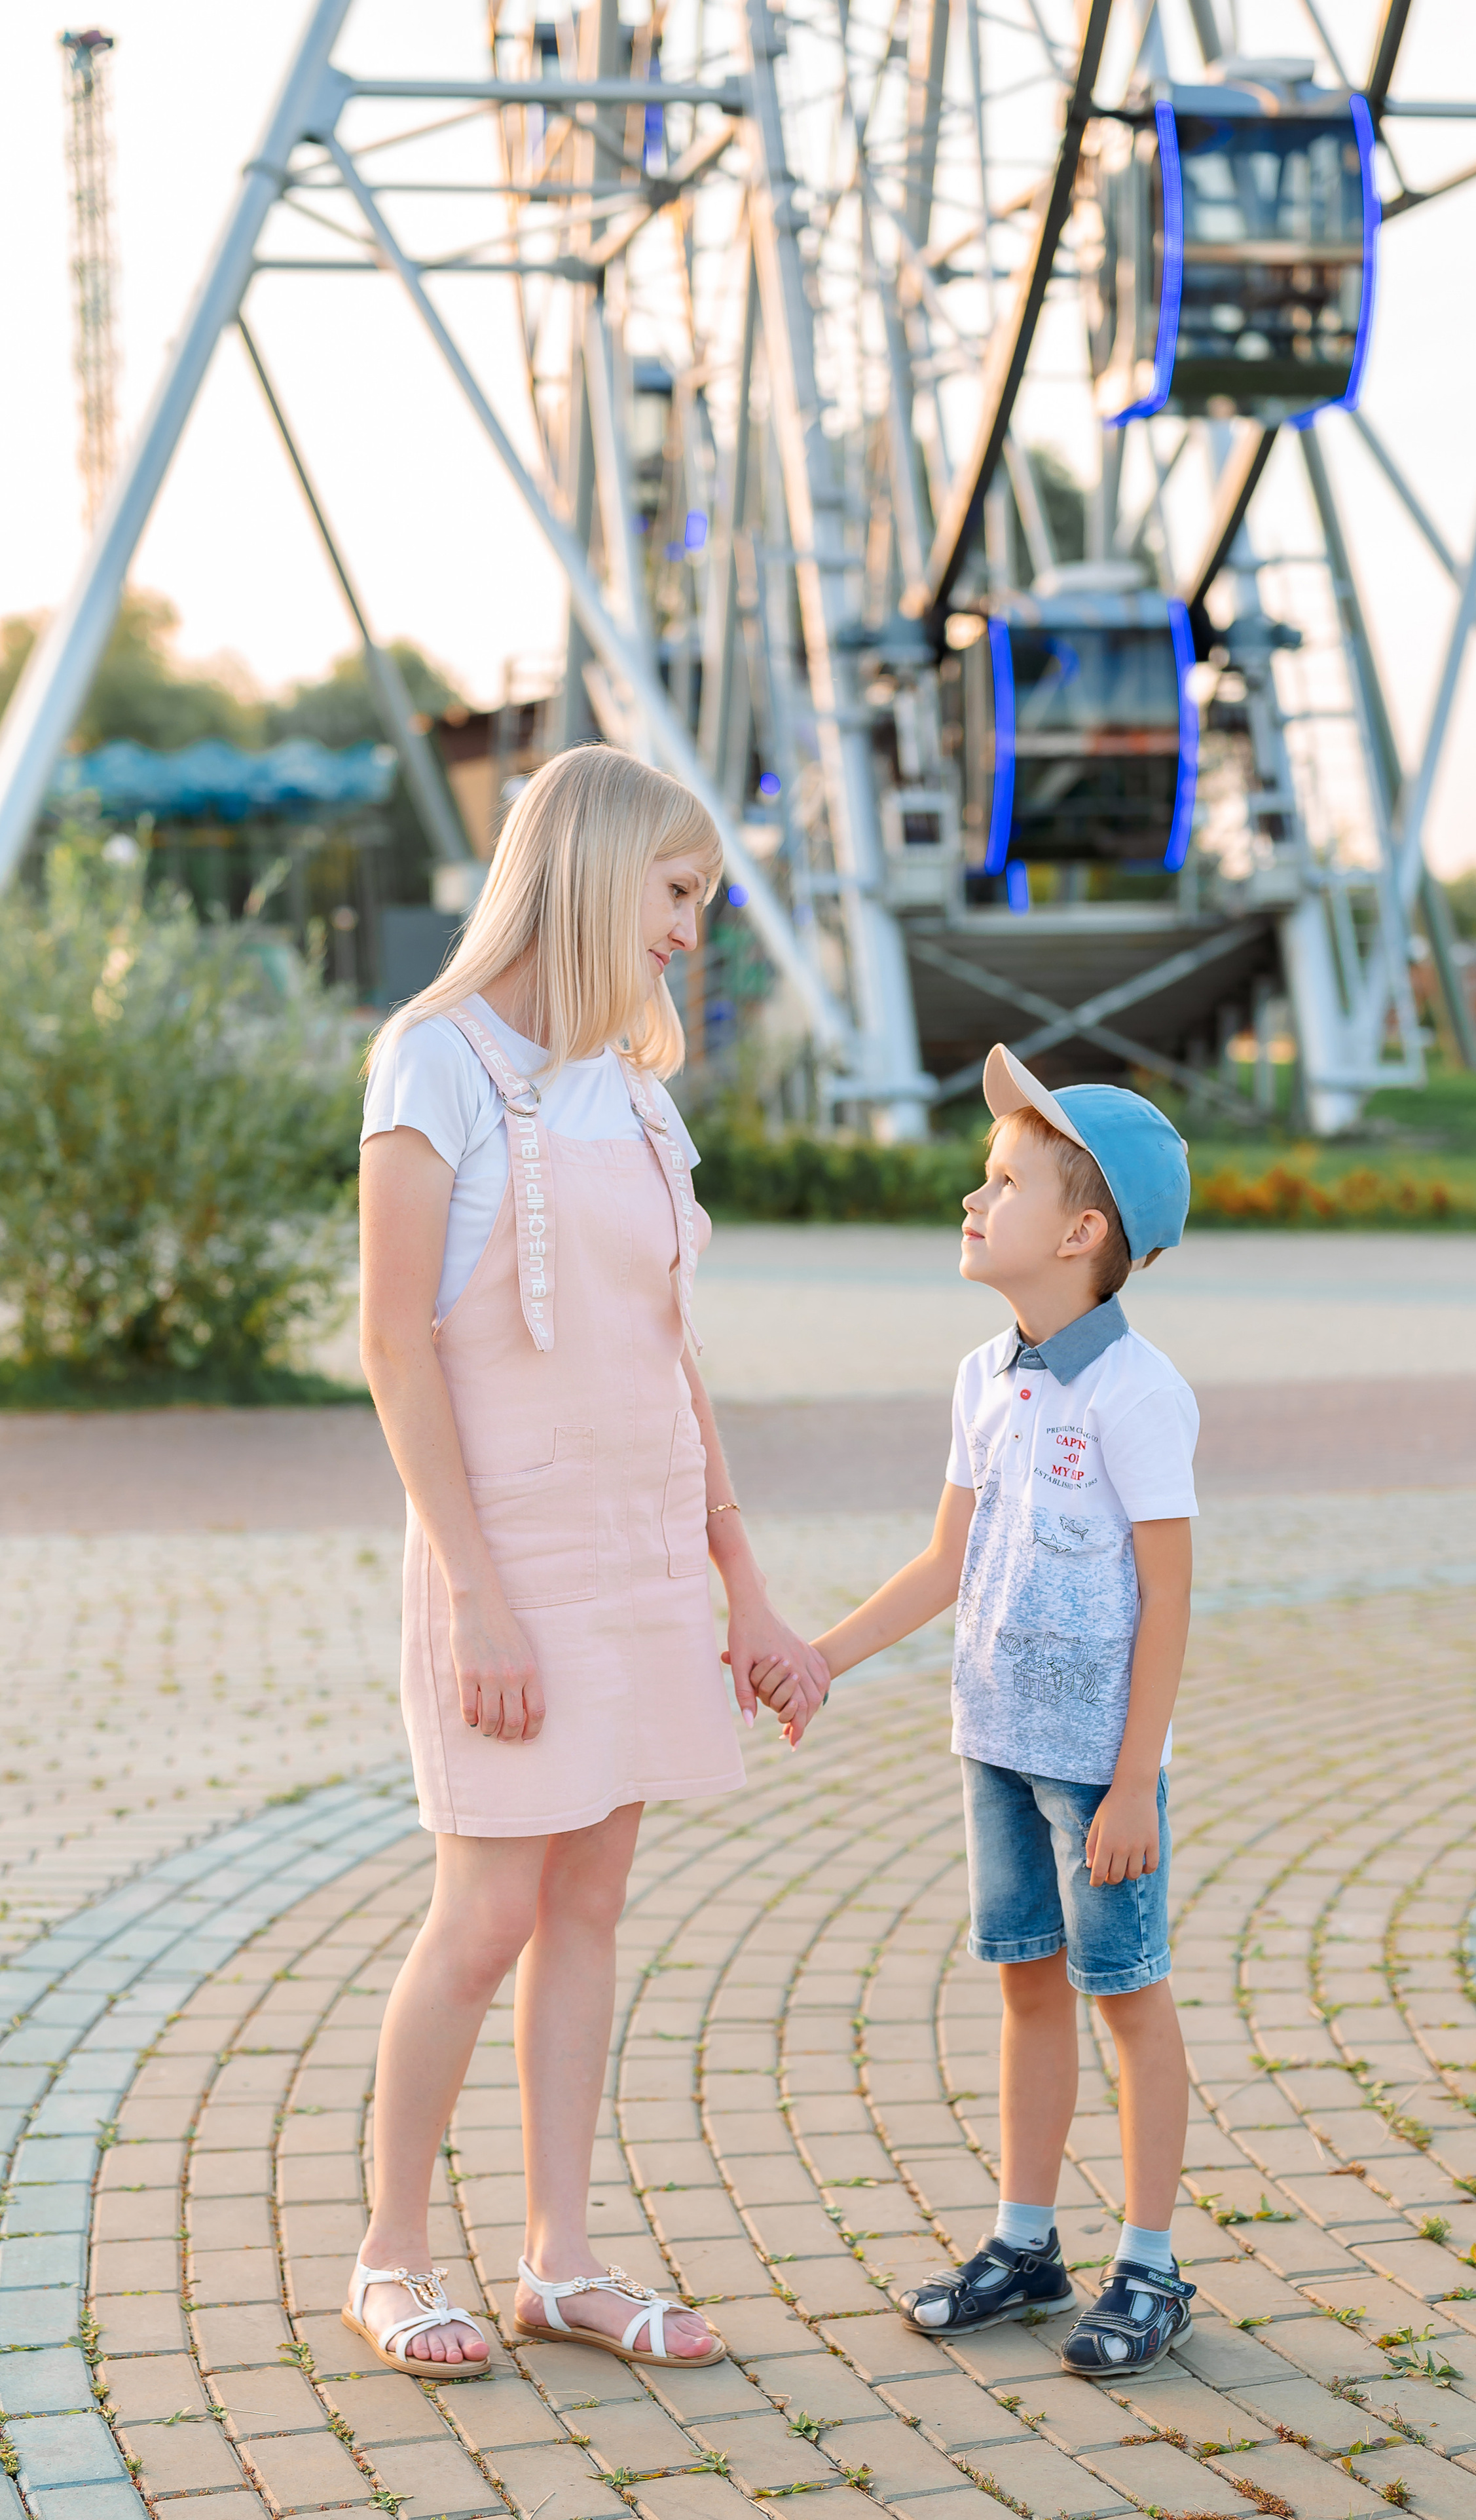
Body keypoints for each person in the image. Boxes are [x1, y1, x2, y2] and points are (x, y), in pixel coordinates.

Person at [347, 744, 826, 2380]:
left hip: (639, 1550)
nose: (694, 926)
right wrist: (474, 1588)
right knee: (484, 1914)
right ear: (597, 870)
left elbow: (667, 1354)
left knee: (593, 1902)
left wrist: (741, 1584)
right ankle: (390, 2256)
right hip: (508, 1557)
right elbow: (396, 1347)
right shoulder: (433, 1063)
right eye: (678, 890)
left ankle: (560, 2261)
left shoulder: (635, 1090)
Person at [754, 1043, 1198, 2378]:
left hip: (1095, 1768)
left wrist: (1130, 1784)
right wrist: (823, 1655)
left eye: (999, 1182)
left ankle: (1150, 2263)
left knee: (1126, 1995)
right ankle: (1026, 2240)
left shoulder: (1138, 1394)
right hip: (993, 1743)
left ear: (1078, 1231)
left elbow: (1169, 1602)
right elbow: (944, 1563)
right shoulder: (980, 1379)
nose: (969, 1198)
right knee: (1023, 1988)